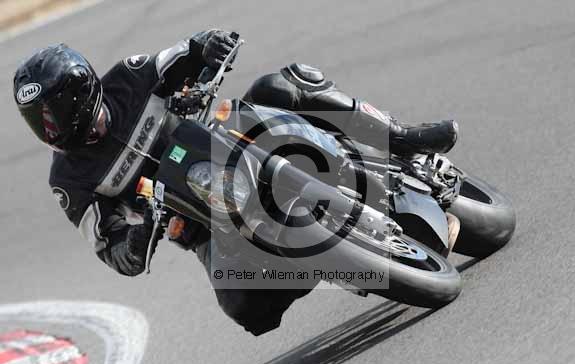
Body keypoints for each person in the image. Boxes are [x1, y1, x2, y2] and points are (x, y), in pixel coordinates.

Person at [13, 30, 458, 335]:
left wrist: (210, 46)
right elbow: (112, 252)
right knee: (245, 307)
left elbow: (187, 51)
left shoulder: (128, 77)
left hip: (226, 139)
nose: (49, 127)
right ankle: (322, 260)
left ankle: (400, 137)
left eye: (52, 111)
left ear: (81, 91)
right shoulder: (69, 180)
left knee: (283, 85)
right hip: (202, 218)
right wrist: (139, 233)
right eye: (38, 119)